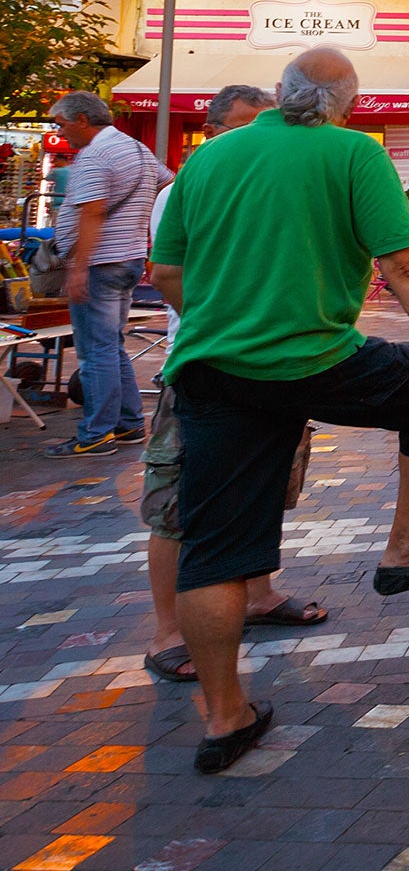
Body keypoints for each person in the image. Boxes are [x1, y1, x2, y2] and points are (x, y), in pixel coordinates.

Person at [150, 48, 409, 774]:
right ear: (346, 103)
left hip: (212, 369)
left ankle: (224, 718)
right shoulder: (353, 154)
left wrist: (227, 324)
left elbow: (165, 272)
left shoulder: (209, 158)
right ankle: (400, 552)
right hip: (317, 359)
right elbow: (406, 264)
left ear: (280, 93)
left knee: (214, 551)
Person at [141, 86, 325, 686]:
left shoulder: (269, 185)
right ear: (213, 130)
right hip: (202, 370)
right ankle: (169, 631)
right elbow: (171, 275)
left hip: (274, 368)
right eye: (241, 128)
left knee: (268, 486)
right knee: (177, 503)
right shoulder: (184, 189)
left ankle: (258, 595)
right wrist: (226, 334)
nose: (255, 140)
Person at [42, 92, 173, 458]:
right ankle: (128, 423)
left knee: (94, 351)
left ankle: (95, 434)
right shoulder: (134, 148)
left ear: (82, 119)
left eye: (61, 123)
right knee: (110, 345)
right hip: (128, 257)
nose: (60, 131)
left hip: (101, 262)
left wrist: (79, 268)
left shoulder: (97, 155)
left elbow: (93, 212)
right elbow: (169, 182)